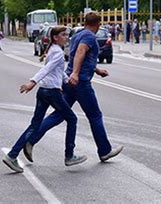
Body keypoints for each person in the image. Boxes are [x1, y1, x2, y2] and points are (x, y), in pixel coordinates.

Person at [25, 12, 123, 163]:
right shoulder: (89, 36)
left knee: (59, 114)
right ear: (97, 24)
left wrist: (96, 70)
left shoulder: (77, 35)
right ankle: (104, 151)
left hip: (69, 81)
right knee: (95, 116)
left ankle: (31, 140)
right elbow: (80, 52)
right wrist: (76, 74)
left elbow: (84, 57)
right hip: (80, 83)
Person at [2, 26, 87, 173]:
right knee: (72, 119)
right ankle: (69, 156)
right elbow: (47, 69)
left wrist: (67, 80)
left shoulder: (52, 50)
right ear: (55, 37)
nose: (66, 37)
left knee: (35, 125)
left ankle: (12, 155)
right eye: (63, 35)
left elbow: (57, 71)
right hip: (51, 92)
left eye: (67, 35)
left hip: (44, 91)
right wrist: (32, 82)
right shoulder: (58, 53)